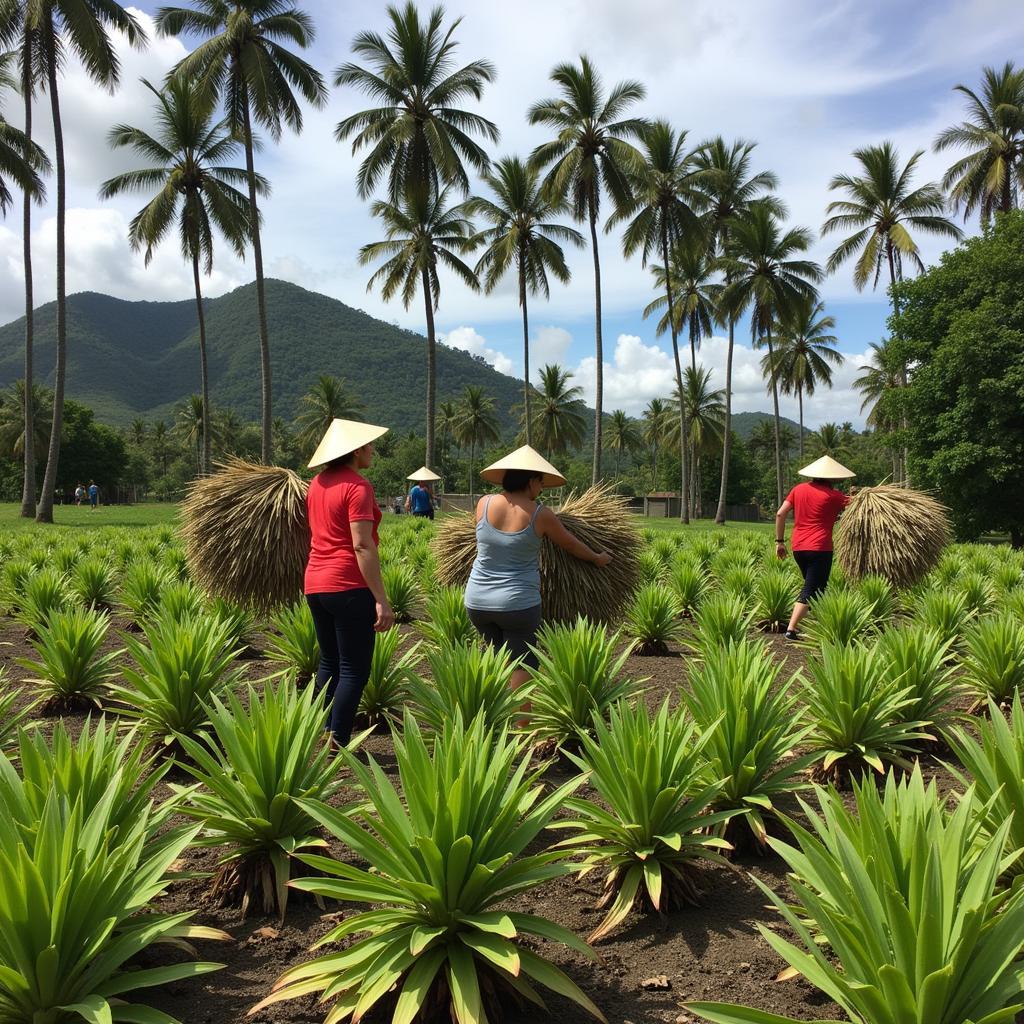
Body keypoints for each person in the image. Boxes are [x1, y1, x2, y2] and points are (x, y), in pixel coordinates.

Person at [464, 445, 611, 695]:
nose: (541, 489)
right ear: (531, 481)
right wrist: (597, 558)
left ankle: (491, 719)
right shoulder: (540, 514)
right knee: (522, 663)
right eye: (540, 483)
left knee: (495, 657)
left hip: (477, 602)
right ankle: (525, 730)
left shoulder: (484, 504)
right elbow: (570, 544)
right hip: (517, 604)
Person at [304, 418, 395, 747]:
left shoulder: (315, 484)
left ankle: (317, 730)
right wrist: (381, 599)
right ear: (356, 450)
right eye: (369, 445)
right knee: (354, 668)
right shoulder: (358, 486)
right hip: (347, 584)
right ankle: (338, 737)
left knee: (329, 661)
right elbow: (361, 544)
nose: (372, 450)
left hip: (315, 582)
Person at [775, 455, 855, 640]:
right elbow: (857, 507)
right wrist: (856, 496)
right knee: (811, 588)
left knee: (818, 588)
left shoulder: (798, 489)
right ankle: (791, 630)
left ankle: (819, 623)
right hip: (820, 548)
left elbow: (780, 514)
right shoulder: (834, 496)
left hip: (798, 547)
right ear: (833, 478)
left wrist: (779, 542)